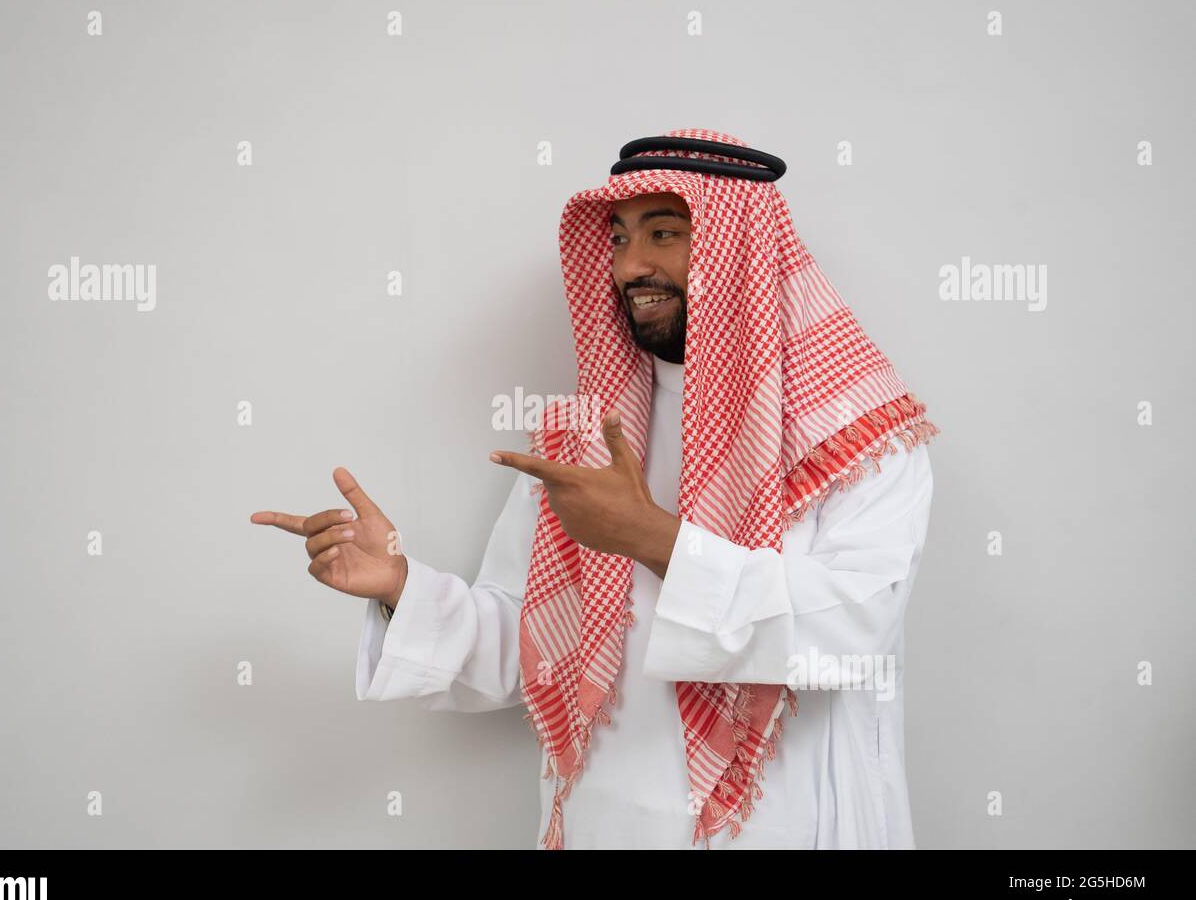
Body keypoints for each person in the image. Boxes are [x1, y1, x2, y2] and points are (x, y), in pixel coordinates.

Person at [251, 128, 939, 850]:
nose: (630, 265)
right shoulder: (587, 437)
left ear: (740, 248)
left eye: (665, 232)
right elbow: (530, 647)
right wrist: (398, 586)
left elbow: (852, 635)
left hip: (784, 825)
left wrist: (652, 538)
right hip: (606, 825)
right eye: (616, 238)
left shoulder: (856, 435)